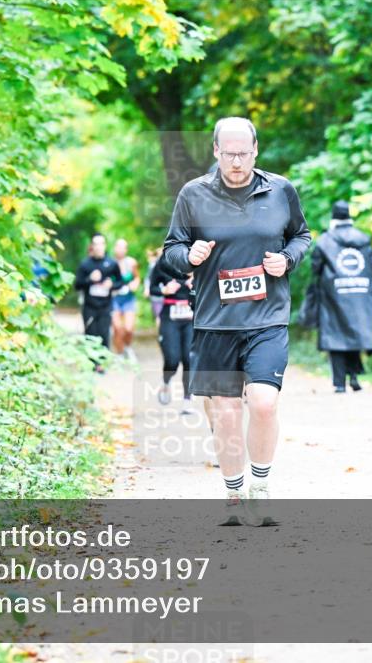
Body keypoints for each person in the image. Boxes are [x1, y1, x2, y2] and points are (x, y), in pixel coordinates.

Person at [161, 116, 311, 526]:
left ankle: (260, 489)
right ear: (215, 152)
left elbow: (302, 236)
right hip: (215, 321)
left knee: (263, 403)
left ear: (256, 150)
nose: (237, 162)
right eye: (229, 154)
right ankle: (233, 494)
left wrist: (287, 260)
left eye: (244, 153)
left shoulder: (280, 190)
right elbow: (171, 248)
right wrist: (188, 257)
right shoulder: (193, 194)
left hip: (267, 318)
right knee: (226, 413)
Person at [308, 201, 372, 393]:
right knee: (354, 332)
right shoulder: (364, 239)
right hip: (360, 293)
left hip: (333, 295)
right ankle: (354, 378)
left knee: (336, 336)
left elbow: (315, 267)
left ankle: (339, 383)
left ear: (333, 218)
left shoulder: (325, 240)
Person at [150, 259, 195, 412]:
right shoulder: (163, 264)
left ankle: (187, 400)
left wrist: (199, 284)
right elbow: (152, 288)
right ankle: (166, 382)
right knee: (172, 359)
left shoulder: (198, 260)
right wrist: (164, 290)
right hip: (169, 317)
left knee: (189, 359)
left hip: (191, 318)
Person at [74, 234, 122, 372]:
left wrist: (111, 284)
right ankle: (91, 363)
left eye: (101, 244)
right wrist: (90, 279)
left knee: (103, 333)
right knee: (90, 334)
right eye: (96, 244)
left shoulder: (112, 263)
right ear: (92, 247)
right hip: (89, 306)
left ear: (105, 246)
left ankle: (101, 363)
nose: (98, 247)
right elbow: (77, 285)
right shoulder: (85, 264)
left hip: (105, 305)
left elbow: (120, 282)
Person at [110, 239, 141, 360]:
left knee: (128, 328)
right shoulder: (110, 263)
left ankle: (127, 346)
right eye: (118, 247)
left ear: (126, 250)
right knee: (117, 328)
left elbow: (137, 278)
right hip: (114, 299)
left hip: (128, 299)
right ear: (115, 248)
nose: (120, 249)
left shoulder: (131, 263)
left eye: (123, 247)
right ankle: (119, 352)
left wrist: (135, 284)